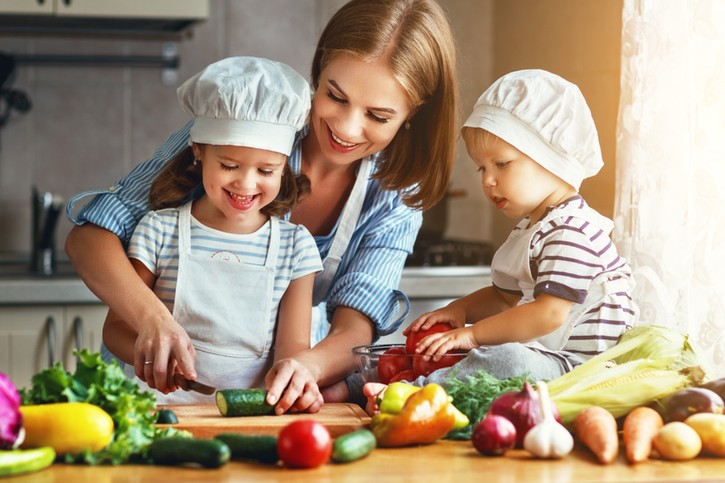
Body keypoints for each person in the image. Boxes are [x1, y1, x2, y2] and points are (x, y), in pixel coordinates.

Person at [64, 0, 459, 413]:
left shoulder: (395, 193)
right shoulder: (244, 121)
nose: (345, 127)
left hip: (255, 399)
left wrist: (304, 368)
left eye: (378, 115)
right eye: (335, 95)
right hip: (145, 390)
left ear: (413, 114)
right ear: (319, 69)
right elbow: (89, 239)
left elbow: (353, 326)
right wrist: (152, 321)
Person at [364, 69, 638, 411]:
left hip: (580, 370)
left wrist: (473, 335)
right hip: (547, 358)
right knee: (493, 354)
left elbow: (549, 314)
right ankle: (402, 386)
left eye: (502, 164)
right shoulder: (534, 227)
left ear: (551, 158)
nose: (488, 180)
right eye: (482, 168)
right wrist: (459, 310)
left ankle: (411, 394)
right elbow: (503, 298)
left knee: (506, 358)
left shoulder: (573, 230)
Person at [100, 56, 324, 404]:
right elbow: (115, 330)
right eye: (229, 165)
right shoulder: (159, 231)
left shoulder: (295, 247)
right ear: (199, 151)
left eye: (267, 171)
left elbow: (292, 348)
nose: (246, 184)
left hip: (248, 416)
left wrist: (291, 381)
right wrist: (150, 358)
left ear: (284, 167)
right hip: (160, 410)